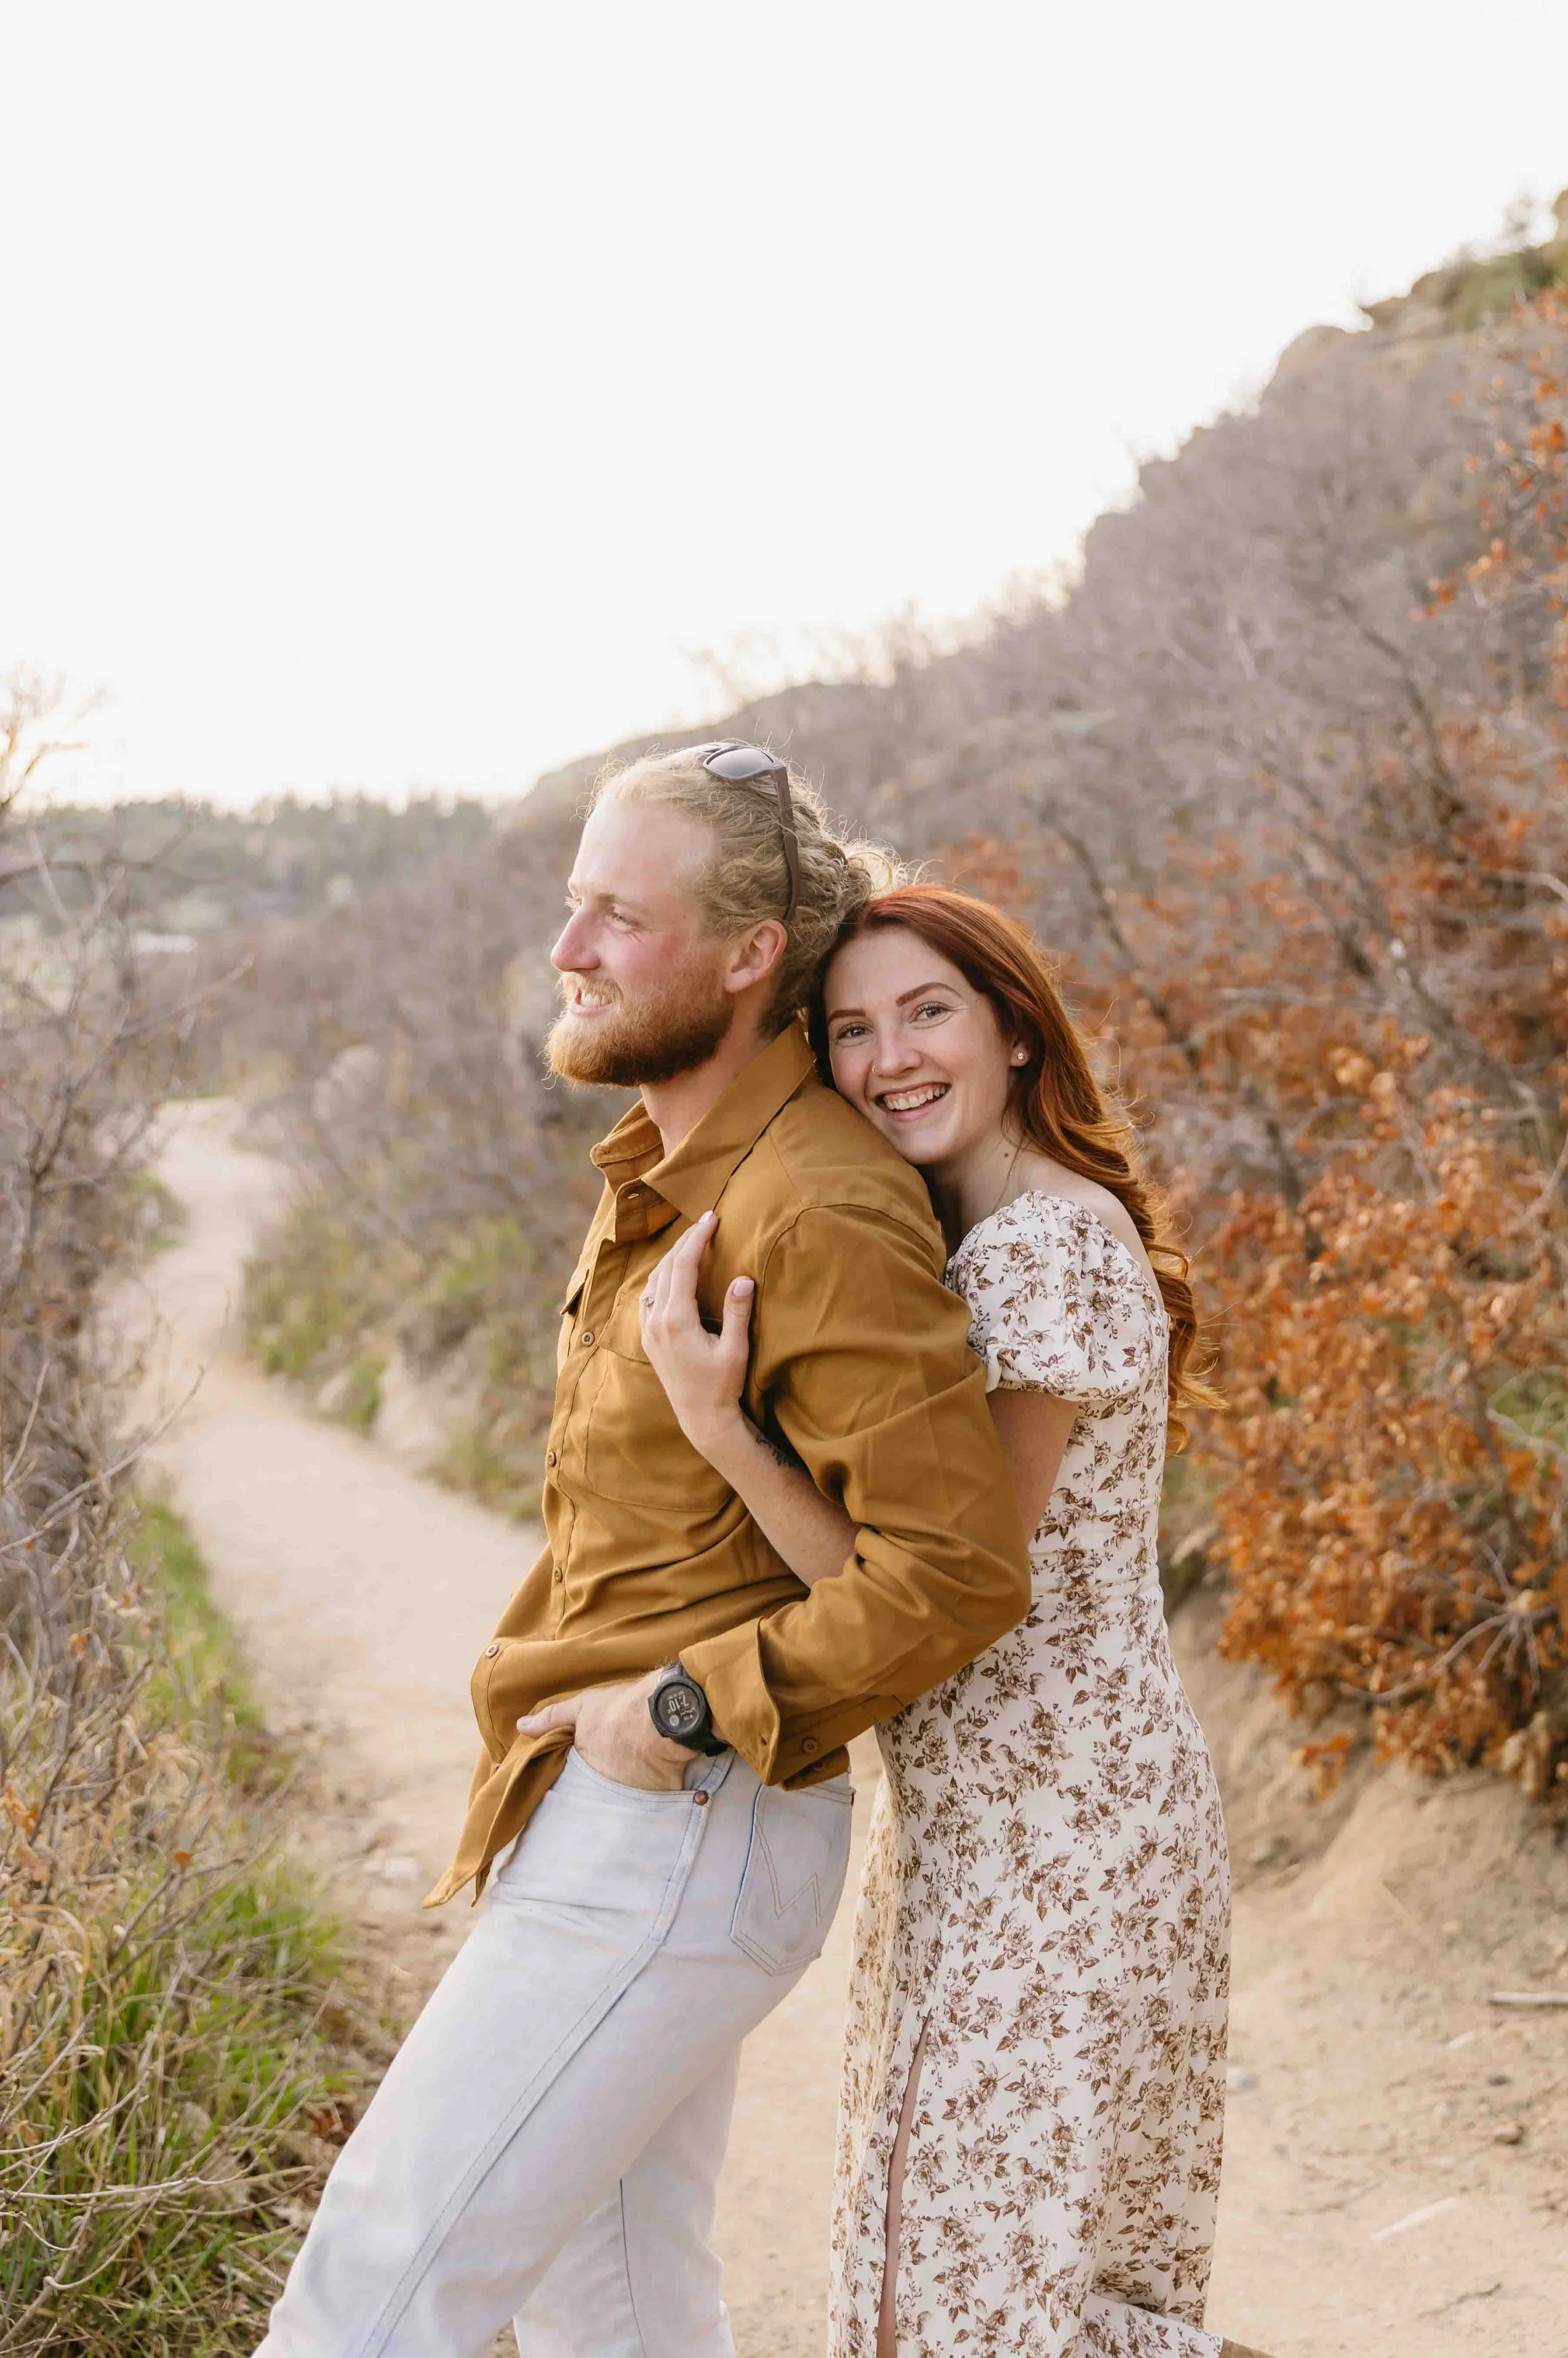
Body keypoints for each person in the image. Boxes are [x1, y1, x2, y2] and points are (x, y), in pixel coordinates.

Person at [254, 754, 1034, 2358]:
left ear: (750, 953)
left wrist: (675, 1706)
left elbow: (952, 1569)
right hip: (621, 1827)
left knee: (379, 2285)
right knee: (611, 2306)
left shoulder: (814, 1202)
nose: (572, 949)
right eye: (571, 905)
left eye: (619, 914)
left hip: (680, 1823)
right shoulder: (667, 1178)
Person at [641, 882, 1267, 2358]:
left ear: (1014, 1030)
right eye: (850, 1028)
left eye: (927, 1010)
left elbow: (937, 1590)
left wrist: (720, 1428)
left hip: (1056, 1841)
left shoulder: (1042, 1248)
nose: (888, 1056)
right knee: (1026, 2296)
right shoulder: (989, 1246)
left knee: (973, 2306)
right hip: (1015, 1831)